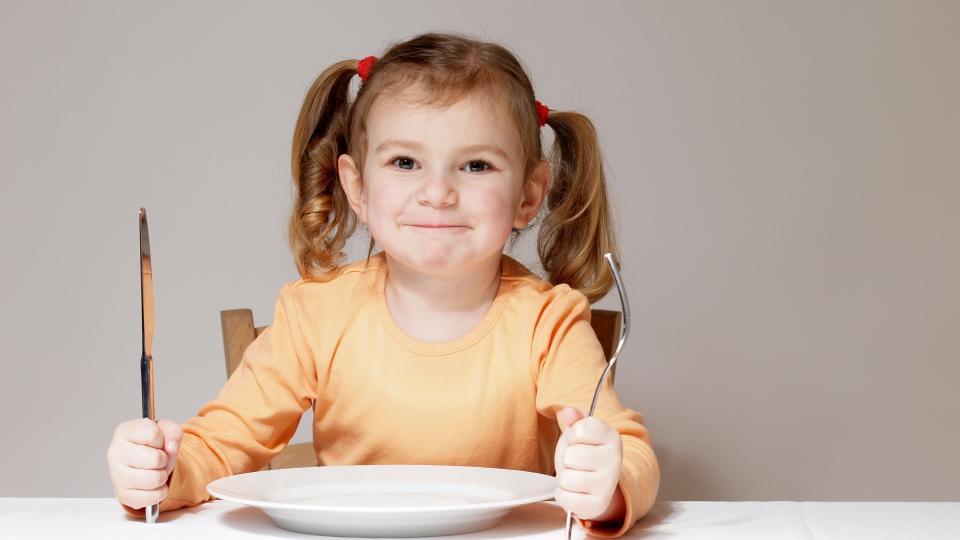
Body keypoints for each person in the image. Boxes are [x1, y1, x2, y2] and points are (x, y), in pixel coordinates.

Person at [106, 31, 660, 537]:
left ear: (529, 194)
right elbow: (216, 446)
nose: (437, 193)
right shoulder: (315, 313)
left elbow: (630, 452)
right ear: (357, 187)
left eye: (475, 166)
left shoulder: (549, 320)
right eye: (404, 162)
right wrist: (163, 470)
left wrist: (608, 485)